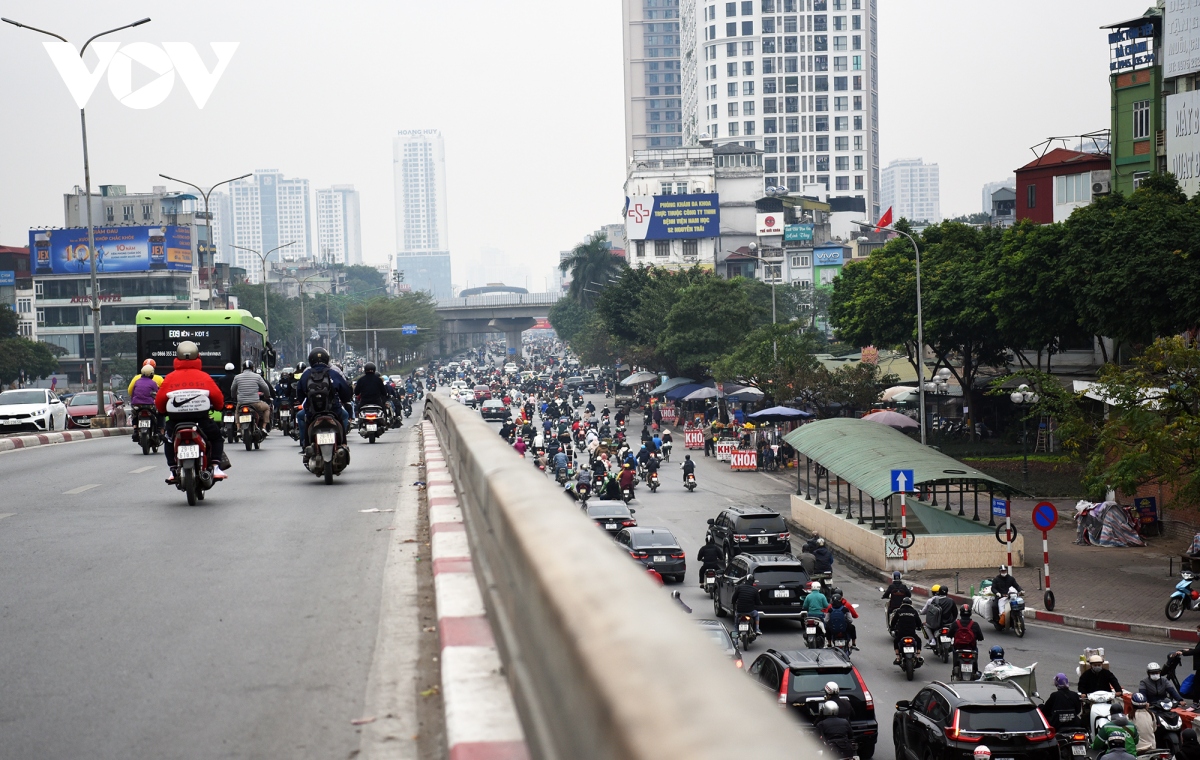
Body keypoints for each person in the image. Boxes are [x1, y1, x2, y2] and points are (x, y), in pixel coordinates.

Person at [154, 341, 227, 483]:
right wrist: (218, 407)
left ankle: (173, 469)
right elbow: (218, 397)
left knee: (169, 440)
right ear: (198, 357)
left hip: (175, 422)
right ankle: (216, 466)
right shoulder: (204, 376)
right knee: (217, 438)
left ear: (177, 358)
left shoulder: (170, 377)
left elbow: (160, 400)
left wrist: (163, 411)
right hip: (201, 421)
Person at [296, 347, 352, 455]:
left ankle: (306, 447)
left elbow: (300, 394)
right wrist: (345, 401)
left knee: (307, 422)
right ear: (327, 359)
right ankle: (343, 445)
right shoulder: (334, 373)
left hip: (312, 412)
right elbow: (345, 391)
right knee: (342, 418)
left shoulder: (306, 374)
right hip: (333, 410)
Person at [229, 359, 273, 431]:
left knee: (237, 412)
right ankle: (264, 427)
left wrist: (234, 396)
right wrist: (267, 395)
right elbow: (265, 387)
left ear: (243, 368)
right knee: (267, 408)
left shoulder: (237, 377)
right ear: (252, 368)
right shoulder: (257, 377)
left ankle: (238, 428)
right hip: (255, 403)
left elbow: (232, 389)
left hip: (241, 403)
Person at [129, 364, 162, 441]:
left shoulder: (136, 382)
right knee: (158, 415)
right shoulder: (153, 383)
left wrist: (133, 403)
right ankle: (157, 432)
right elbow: (158, 394)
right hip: (150, 405)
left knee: (135, 416)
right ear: (151, 374)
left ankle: (135, 430)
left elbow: (132, 394)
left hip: (137, 405)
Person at [889, 596, 923, 662]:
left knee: (896, 641)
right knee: (918, 640)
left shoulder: (899, 611)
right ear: (911, 604)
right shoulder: (914, 612)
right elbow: (919, 622)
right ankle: (918, 655)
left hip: (901, 633)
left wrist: (892, 627)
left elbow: (893, 622)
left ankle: (898, 656)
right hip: (912, 633)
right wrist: (919, 627)